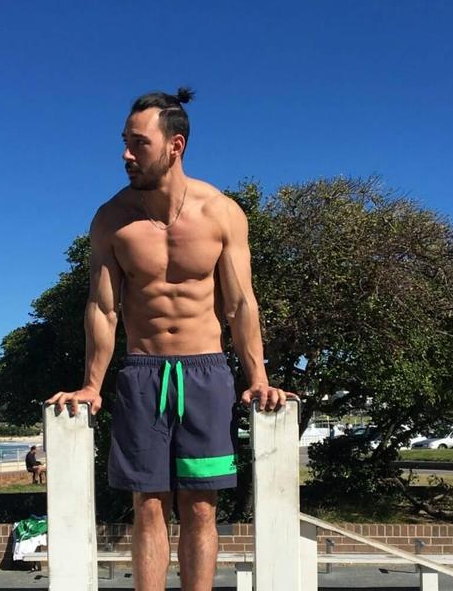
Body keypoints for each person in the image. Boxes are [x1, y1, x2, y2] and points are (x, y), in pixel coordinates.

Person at [47, 87, 292, 591]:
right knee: (149, 504)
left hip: (206, 371)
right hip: (143, 372)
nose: (126, 154)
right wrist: (92, 385)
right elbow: (103, 308)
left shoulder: (221, 212)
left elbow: (240, 304)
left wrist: (259, 378)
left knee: (201, 506)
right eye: (124, 141)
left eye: (138, 143)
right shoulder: (112, 219)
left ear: (175, 145)